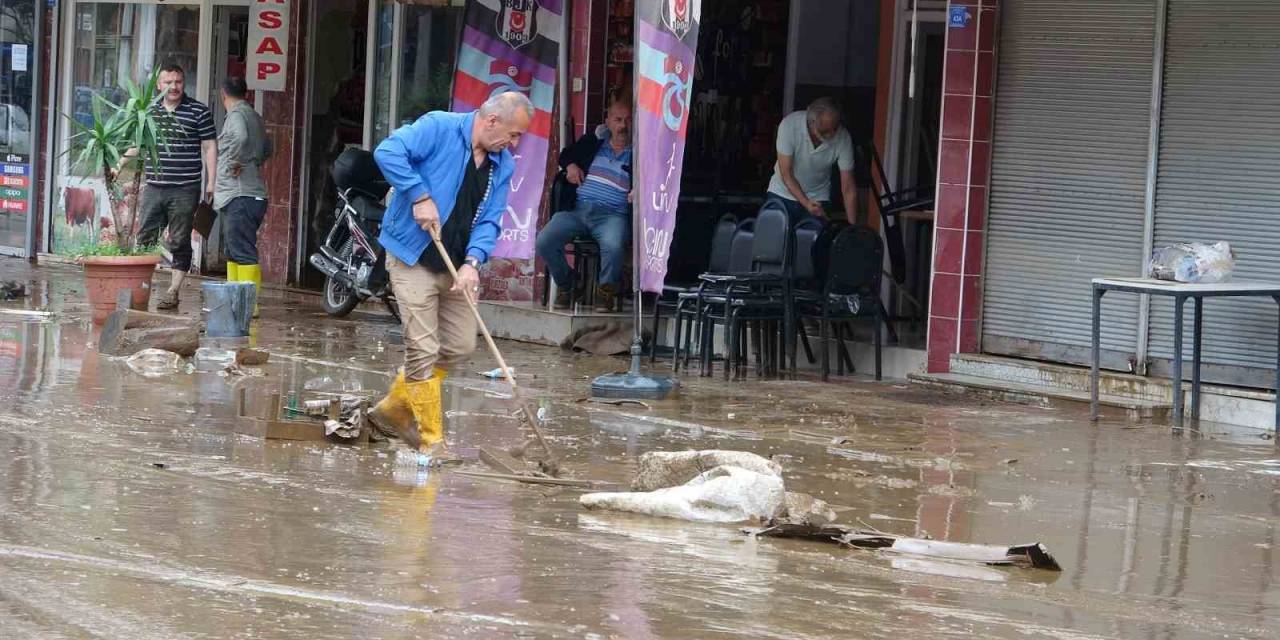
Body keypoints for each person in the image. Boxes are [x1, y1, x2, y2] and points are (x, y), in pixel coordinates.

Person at [369, 92, 531, 457]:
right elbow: (387, 152)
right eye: (514, 134)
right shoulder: (438, 127)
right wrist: (418, 195)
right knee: (423, 348)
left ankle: (395, 408)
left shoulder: (501, 164)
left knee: (460, 344)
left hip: (455, 264)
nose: (515, 144)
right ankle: (430, 439)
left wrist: (473, 263)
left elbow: (491, 218)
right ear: (491, 121)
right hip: (413, 256)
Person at [535, 93, 632, 312]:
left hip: (612, 215)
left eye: (627, 120)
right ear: (607, 121)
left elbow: (654, 179)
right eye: (618, 120)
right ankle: (569, 285)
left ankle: (605, 291)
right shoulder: (592, 142)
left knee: (614, 245)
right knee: (544, 241)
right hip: (578, 210)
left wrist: (640, 190)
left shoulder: (638, 153)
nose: (623, 126)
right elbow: (565, 155)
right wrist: (570, 166)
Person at [136, 62, 218, 310]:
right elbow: (138, 144)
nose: (173, 87)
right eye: (168, 82)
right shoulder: (149, 112)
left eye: (178, 82)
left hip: (185, 188)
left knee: (180, 240)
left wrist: (211, 182)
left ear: (184, 83)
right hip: (154, 185)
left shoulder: (198, 111)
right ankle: (141, 289)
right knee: (145, 238)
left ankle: (172, 291)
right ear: (158, 85)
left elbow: (209, 146)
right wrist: (118, 163)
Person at [213, 76, 273, 316]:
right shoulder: (254, 115)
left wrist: (236, 161)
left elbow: (239, 137)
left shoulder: (237, 115)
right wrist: (252, 161)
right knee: (233, 249)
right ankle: (234, 299)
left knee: (242, 250)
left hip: (241, 194)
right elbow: (269, 148)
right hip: (249, 194)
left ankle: (249, 305)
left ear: (222, 93)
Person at [766, 97, 856, 225]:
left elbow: (848, 187)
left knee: (812, 241)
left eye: (835, 128)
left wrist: (852, 227)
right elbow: (786, 174)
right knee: (774, 240)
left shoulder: (843, 137)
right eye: (824, 131)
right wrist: (807, 203)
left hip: (818, 196)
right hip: (781, 193)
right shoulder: (790, 125)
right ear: (811, 122)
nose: (831, 135)